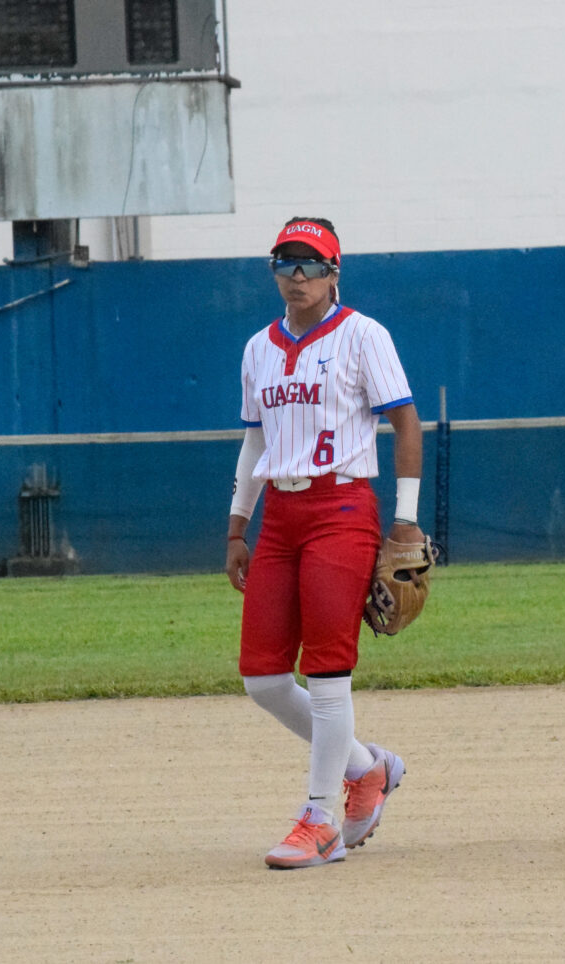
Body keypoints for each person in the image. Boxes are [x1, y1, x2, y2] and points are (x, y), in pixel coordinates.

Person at [225, 217, 423, 869]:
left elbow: (405, 421)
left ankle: (320, 818)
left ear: (335, 272)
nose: (298, 276)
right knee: (262, 676)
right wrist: (237, 523)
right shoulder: (259, 347)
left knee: (327, 668)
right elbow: (255, 438)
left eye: (311, 263)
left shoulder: (364, 336)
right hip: (280, 510)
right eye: (286, 263)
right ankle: (367, 767)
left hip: (342, 503)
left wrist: (406, 520)